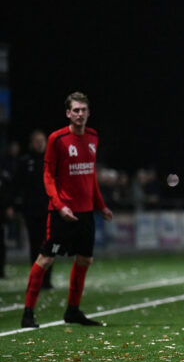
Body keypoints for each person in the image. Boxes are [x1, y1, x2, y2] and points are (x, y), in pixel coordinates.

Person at [21, 92, 113, 328]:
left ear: (89, 112)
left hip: (86, 213)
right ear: (68, 113)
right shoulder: (57, 139)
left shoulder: (93, 137)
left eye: (83, 110)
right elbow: (48, 176)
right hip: (62, 213)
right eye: (76, 110)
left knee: (85, 259)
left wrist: (101, 205)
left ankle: (73, 310)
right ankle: (28, 313)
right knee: (45, 258)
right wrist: (59, 205)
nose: (80, 114)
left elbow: (90, 175)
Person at [14, 130, 55, 288]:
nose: (39, 144)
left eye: (42, 141)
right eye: (36, 141)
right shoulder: (25, 162)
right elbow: (17, 185)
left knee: (50, 245)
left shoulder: (51, 161)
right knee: (34, 245)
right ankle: (36, 279)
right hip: (32, 211)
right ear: (31, 143)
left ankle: (47, 280)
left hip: (49, 211)